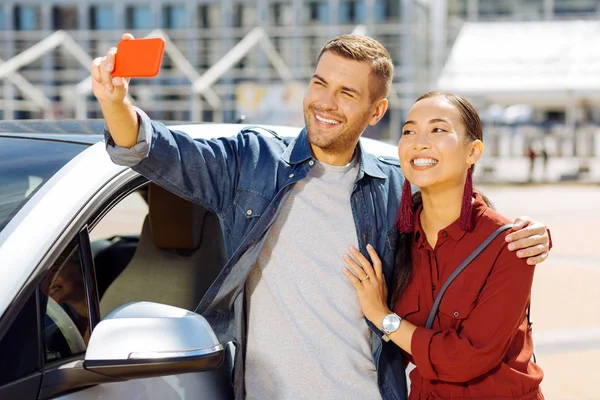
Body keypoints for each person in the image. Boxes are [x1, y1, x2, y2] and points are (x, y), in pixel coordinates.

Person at [91, 34, 551, 400]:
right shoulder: (252, 162)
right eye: (319, 83)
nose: (325, 102)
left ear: (376, 111)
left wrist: (529, 233)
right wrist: (115, 104)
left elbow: (459, 208)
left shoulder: (394, 184)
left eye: (347, 93)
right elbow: (163, 153)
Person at [344, 91, 544, 399]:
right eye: (408, 131)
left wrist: (382, 316)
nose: (419, 142)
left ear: (473, 152)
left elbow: (467, 358)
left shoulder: (510, 244)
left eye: (438, 129)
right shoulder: (395, 235)